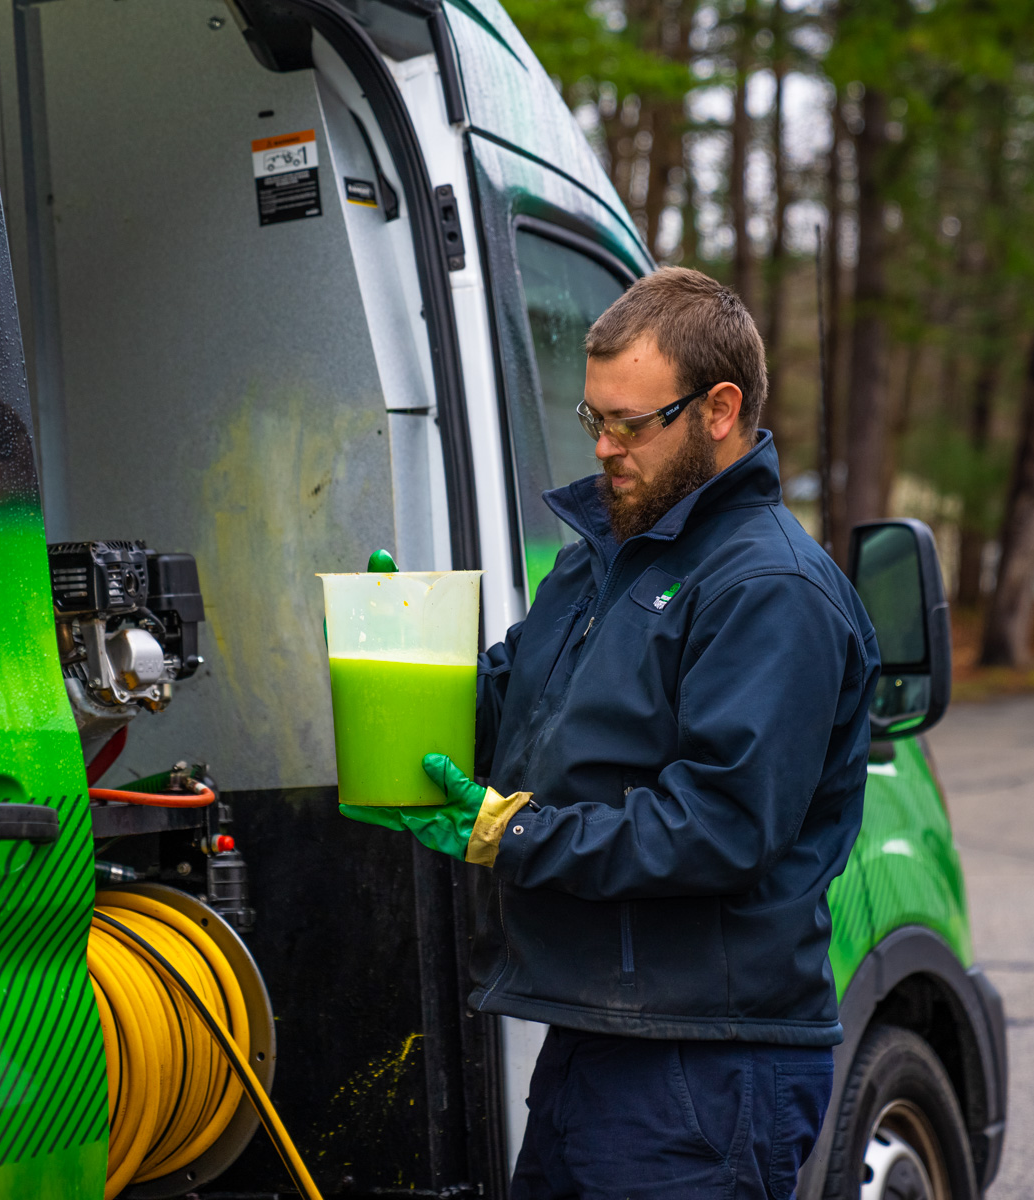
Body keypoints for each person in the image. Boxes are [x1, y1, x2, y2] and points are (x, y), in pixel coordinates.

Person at [343, 267, 880, 1199]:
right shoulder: (608, 562)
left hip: (708, 1066)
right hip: (598, 1040)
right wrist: (408, 664)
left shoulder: (769, 589)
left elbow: (719, 823)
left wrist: (514, 833)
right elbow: (513, 710)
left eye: (629, 424)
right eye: (594, 419)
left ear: (719, 409)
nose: (604, 446)